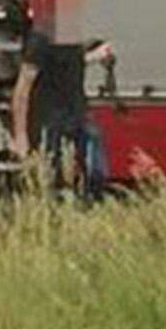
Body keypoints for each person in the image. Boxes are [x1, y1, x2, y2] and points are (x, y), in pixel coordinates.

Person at [9, 20, 114, 200]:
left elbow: (68, 64)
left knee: (97, 173)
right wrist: (20, 136)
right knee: (52, 177)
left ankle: (89, 207)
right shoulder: (39, 40)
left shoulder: (73, 37)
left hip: (78, 112)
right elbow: (22, 90)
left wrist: (96, 56)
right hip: (49, 118)